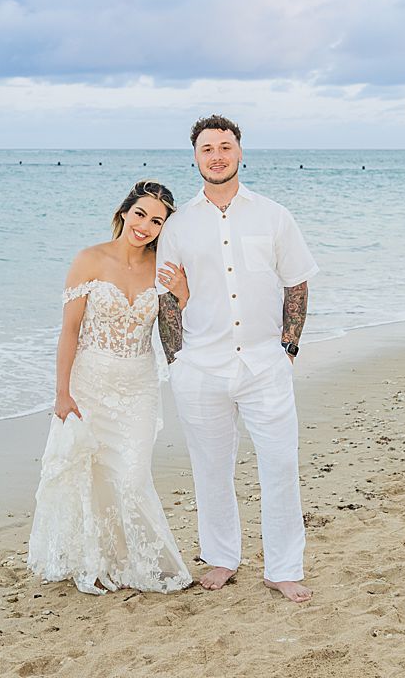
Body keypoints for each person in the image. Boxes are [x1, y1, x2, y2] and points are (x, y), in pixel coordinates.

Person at [156, 115, 318, 603]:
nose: (218, 155)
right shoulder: (180, 224)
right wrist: (176, 362)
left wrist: (287, 347)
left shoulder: (273, 215)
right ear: (196, 157)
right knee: (210, 468)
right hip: (200, 367)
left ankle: (284, 568)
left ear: (240, 151)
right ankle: (223, 557)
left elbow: (297, 282)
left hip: (264, 363)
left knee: (279, 465)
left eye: (225, 146)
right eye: (208, 148)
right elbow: (167, 297)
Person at [27, 180, 193, 595]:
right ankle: (95, 561)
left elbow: (177, 328)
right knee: (91, 474)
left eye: (157, 220)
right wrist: (62, 393)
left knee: (132, 476)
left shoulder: (164, 267)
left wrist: (183, 295)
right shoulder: (89, 259)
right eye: (140, 214)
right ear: (124, 213)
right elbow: (69, 331)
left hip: (138, 383)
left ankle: (130, 560)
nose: (145, 225)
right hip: (89, 382)